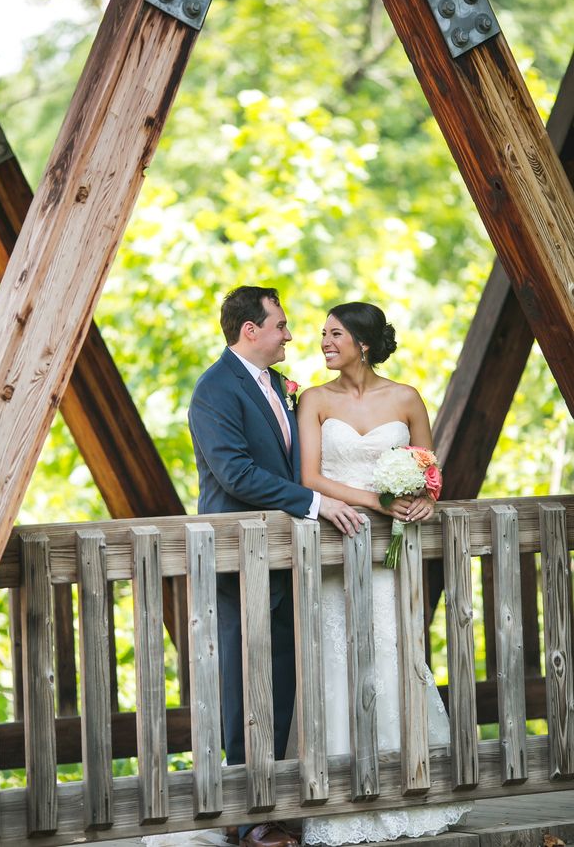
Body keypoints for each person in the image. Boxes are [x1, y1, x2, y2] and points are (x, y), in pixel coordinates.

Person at [188, 286, 364, 847]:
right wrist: (314, 503)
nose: (291, 334)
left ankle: (276, 807)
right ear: (250, 331)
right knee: (243, 687)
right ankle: (245, 821)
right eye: (282, 325)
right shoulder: (215, 390)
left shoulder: (279, 390)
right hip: (240, 560)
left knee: (281, 685)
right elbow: (235, 473)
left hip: (284, 562)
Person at [297, 301, 473, 846]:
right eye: (322, 334)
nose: (324, 342)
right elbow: (308, 476)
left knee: (396, 653)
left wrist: (423, 500)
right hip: (337, 546)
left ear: (363, 342)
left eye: (334, 335)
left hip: (394, 556)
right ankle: (337, 800)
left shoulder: (405, 398)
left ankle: (412, 786)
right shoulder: (314, 401)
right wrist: (378, 499)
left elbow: (430, 471)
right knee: (337, 661)